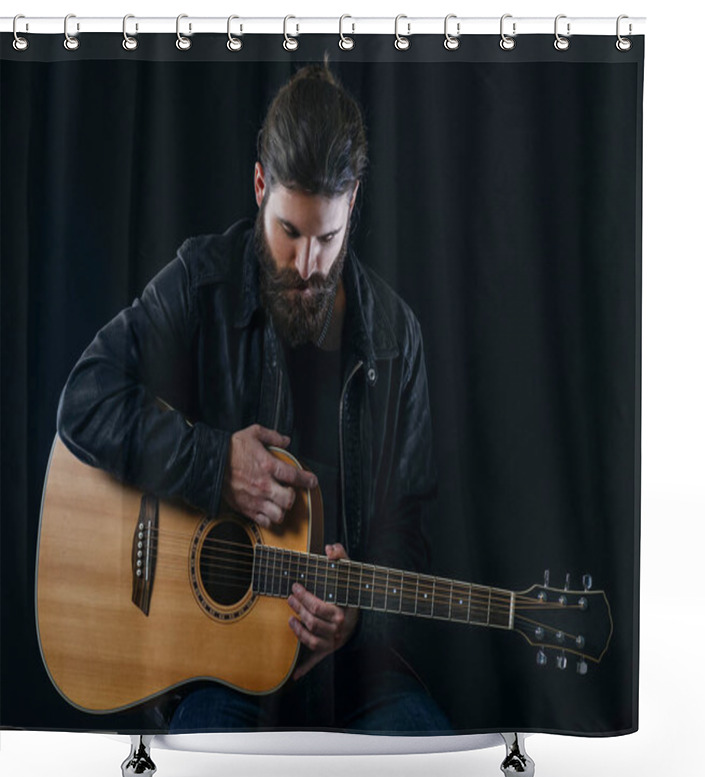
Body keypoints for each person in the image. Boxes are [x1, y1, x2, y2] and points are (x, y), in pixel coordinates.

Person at [57, 63, 450, 734]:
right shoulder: (200, 282)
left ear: (353, 202)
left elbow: (410, 534)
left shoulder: (396, 336)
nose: (307, 267)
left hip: (355, 681)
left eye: (326, 239)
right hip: (213, 672)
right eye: (289, 233)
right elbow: (85, 401)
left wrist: (357, 619)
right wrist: (214, 467)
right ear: (261, 185)